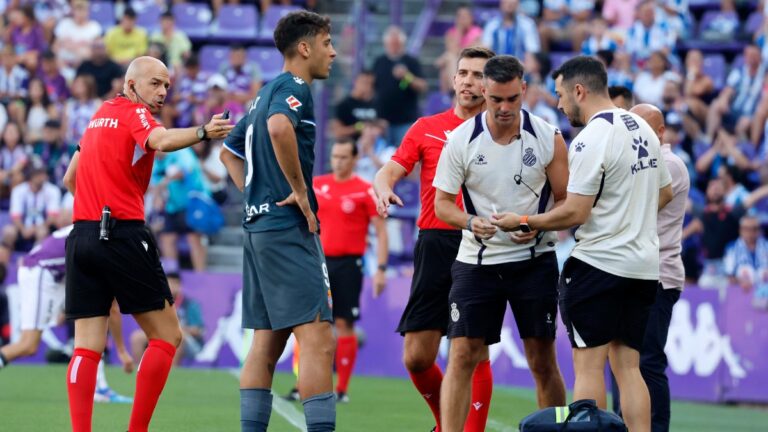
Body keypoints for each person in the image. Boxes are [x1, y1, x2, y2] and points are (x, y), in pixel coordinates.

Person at [490, 56, 673, 432]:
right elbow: (665, 192)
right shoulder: (641, 125)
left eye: (560, 94)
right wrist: (628, 215)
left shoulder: (591, 137)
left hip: (599, 265)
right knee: (629, 368)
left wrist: (525, 221)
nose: (558, 103)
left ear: (579, 90)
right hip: (642, 267)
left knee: (588, 366)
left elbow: (574, 212)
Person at [61, 55, 232, 432]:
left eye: (167, 85)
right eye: (155, 83)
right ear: (131, 83)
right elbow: (161, 139)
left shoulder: (97, 116)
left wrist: (95, 205)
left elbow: (71, 177)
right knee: (168, 335)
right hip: (121, 234)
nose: (163, 91)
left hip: (83, 235)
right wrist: (203, 132)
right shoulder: (134, 113)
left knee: (86, 346)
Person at [432, 55, 568, 432]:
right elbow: (442, 205)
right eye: (496, 100)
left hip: (534, 259)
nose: (505, 108)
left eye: (512, 99)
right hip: (477, 261)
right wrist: (470, 221)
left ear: (523, 90)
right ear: (483, 92)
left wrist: (535, 225)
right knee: (461, 355)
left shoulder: (548, 135)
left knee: (542, 360)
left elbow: (567, 199)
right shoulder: (460, 140)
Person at [218, 11, 337, 432]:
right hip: (287, 229)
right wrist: (301, 192)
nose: (333, 52)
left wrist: (254, 195)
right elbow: (279, 128)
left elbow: (228, 153)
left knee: (266, 341)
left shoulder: (263, 92)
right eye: (327, 43)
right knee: (318, 340)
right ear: (304, 48)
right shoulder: (294, 89)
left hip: (258, 229)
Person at [373, 46, 495, 432]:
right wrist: (383, 187)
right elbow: (390, 169)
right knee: (417, 357)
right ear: (453, 78)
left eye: (478, 75)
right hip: (434, 243)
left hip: (479, 243)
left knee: (472, 350)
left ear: (491, 84)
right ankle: (447, 421)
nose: (468, 81)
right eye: (463, 73)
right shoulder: (427, 127)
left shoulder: (501, 132)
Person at [286, 138, 389, 403]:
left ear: (355, 159)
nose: (338, 161)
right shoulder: (317, 185)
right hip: (316, 262)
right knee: (307, 324)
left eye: (344, 157)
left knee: (344, 324)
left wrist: (380, 269)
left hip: (348, 266)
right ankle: (302, 384)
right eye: (335, 156)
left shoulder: (364, 190)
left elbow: (380, 231)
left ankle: (341, 389)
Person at [0, 225, 134, 404]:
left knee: (93, 318)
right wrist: (122, 351)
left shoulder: (98, 224)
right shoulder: (105, 237)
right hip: (43, 271)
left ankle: (99, 388)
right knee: (28, 344)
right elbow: (113, 308)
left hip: (57, 272)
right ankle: (99, 387)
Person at [629, 103, 690, 432]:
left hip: (658, 274)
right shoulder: (645, 161)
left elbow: (633, 205)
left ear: (661, 131)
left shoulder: (670, 164)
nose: (634, 131)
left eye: (641, 125)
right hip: (636, 272)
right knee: (626, 361)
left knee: (647, 360)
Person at [130, 272, 205, 366]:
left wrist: (179, 329)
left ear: (180, 285)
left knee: (177, 338)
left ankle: (171, 373)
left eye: (175, 283)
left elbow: (199, 330)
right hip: (162, 335)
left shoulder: (190, 304)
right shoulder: (158, 302)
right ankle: (140, 370)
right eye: (170, 283)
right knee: (137, 337)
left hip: (188, 340)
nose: (173, 287)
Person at [372, 26, 428, 147]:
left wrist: (406, 76)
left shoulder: (411, 62)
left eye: (396, 43)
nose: (393, 46)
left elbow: (422, 86)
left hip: (405, 121)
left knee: (404, 156)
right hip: (383, 120)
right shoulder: (379, 62)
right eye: (391, 43)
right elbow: (372, 87)